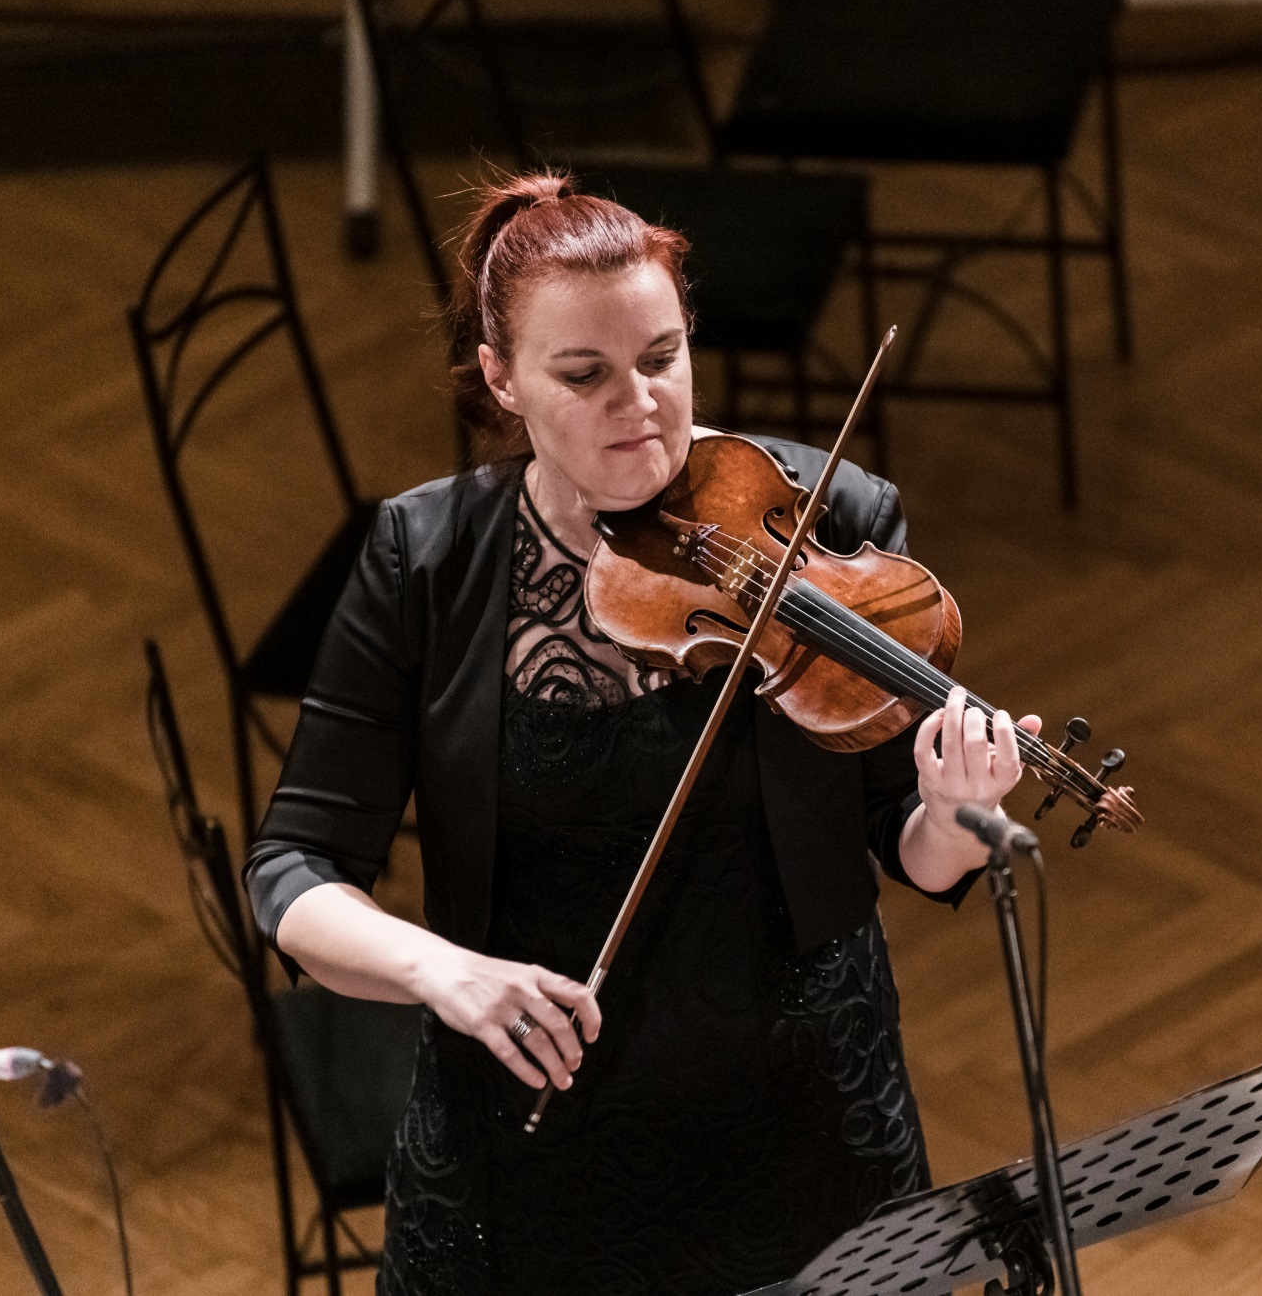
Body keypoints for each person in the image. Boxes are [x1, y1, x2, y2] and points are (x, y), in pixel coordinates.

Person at [243, 173, 1043, 1295]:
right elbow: (292, 872)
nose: (642, 405)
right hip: (529, 1160)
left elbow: (899, 839)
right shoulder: (423, 562)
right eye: (584, 374)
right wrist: (448, 974)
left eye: (662, 357)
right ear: (500, 380)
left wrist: (959, 820)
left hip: (805, 1132)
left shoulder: (825, 518)